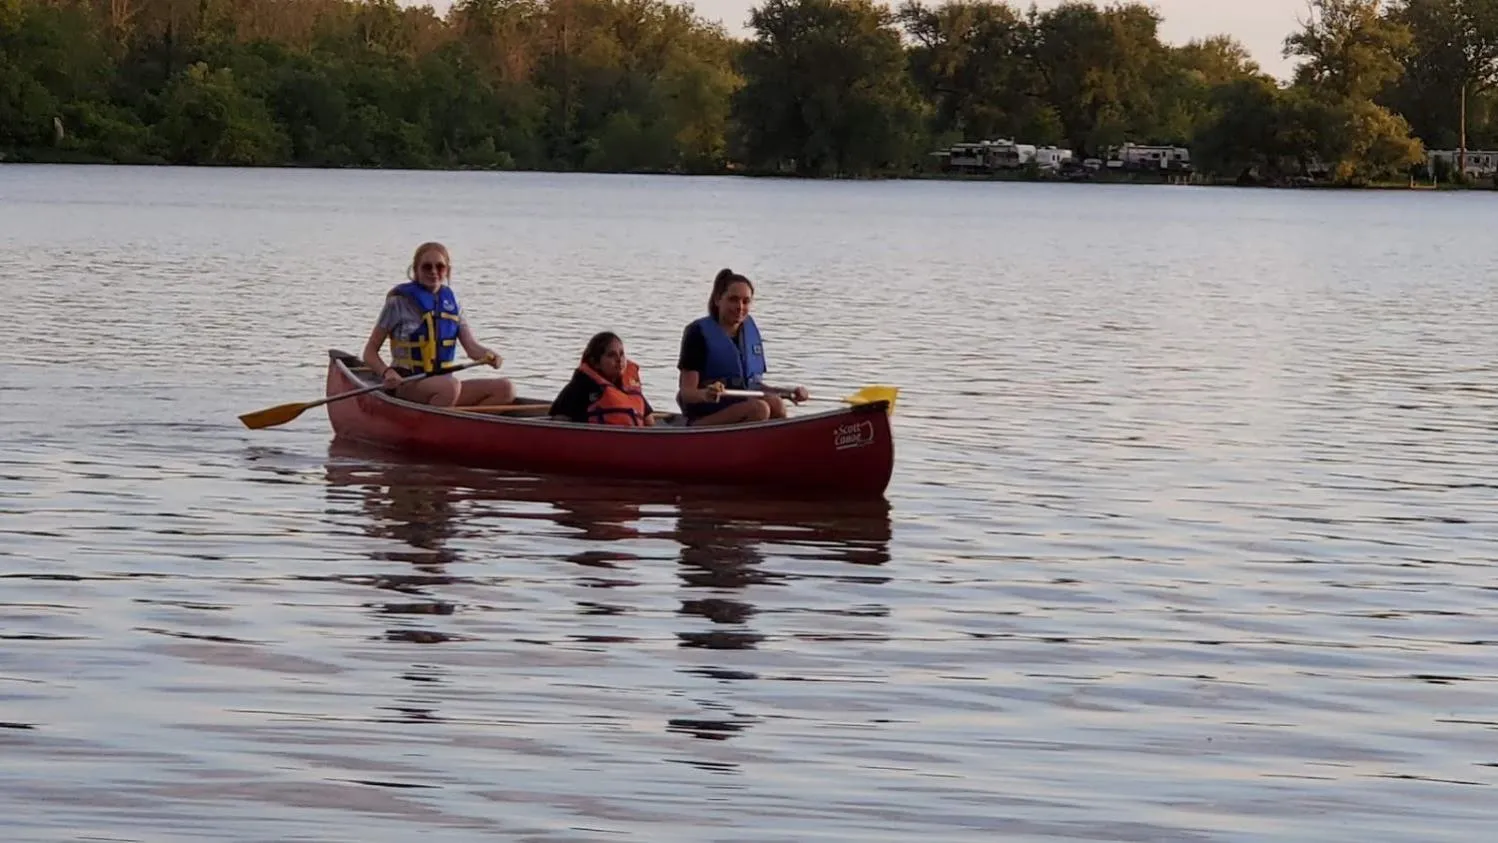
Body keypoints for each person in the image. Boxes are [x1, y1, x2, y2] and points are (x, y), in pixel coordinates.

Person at [361, 241, 515, 408]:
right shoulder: (398, 302)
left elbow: (472, 348)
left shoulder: (453, 303)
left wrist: (490, 356)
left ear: (447, 270)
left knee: (506, 389)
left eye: (440, 267)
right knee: (450, 387)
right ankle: (442, 420)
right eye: (427, 267)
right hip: (406, 383)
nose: (434, 272)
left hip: (444, 386)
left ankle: (459, 423)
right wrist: (387, 372)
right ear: (416, 270)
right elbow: (369, 352)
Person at [675, 268, 808, 426]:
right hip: (703, 416)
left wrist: (788, 392)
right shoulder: (698, 333)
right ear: (718, 300)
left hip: (739, 406)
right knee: (759, 409)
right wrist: (707, 394)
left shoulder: (748, 332)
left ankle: (777, 439)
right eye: (733, 299)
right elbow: (687, 393)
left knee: (776, 404)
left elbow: (753, 386)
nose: (740, 307)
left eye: (746, 301)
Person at [549, 331, 656, 426]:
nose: (619, 360)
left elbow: (650, 422)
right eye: (611, 355)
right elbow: (559, 419)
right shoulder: (583, 384)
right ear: (595, 363)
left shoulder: (630, 386)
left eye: (621, 354)